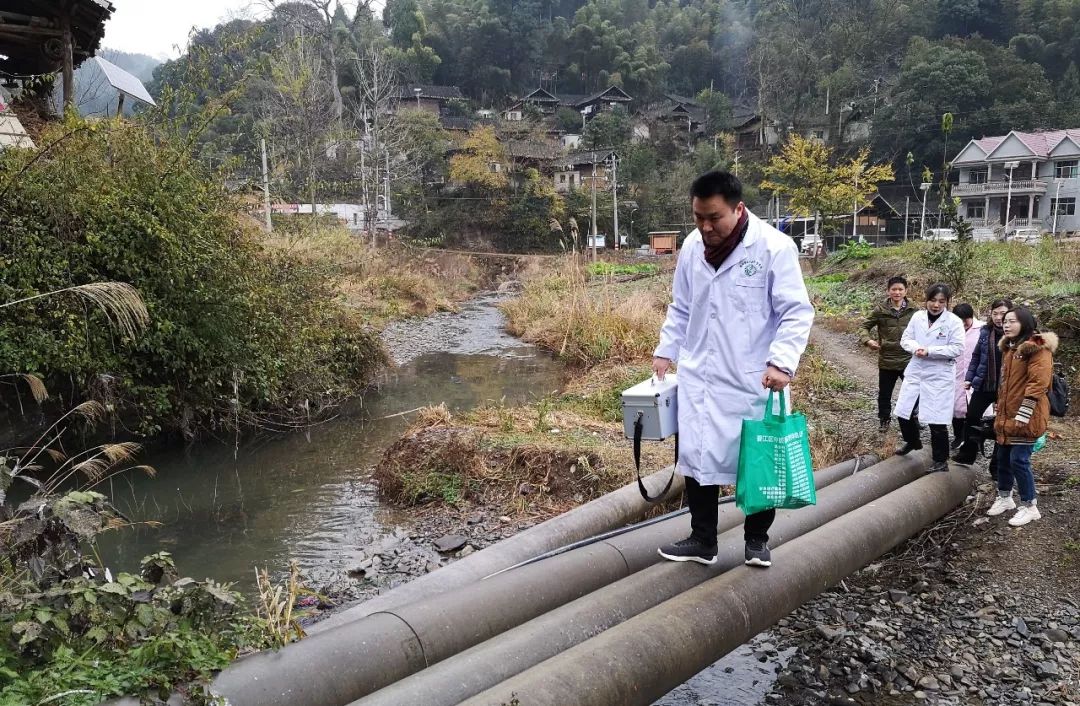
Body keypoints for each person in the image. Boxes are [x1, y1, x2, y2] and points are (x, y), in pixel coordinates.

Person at [652, 170, 814, 568]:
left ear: (738, 209)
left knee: (759, 457)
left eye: (714, 218)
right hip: (700, 375)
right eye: (698, 217)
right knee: (697, 457)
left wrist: (781, 363)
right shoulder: (692, 247)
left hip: (752, 378)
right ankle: (702, 539)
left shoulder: (773, 247)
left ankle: (757, 540)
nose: (705, 227)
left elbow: (796, 312)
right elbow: (681, 306)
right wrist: (665, 350)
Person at [987, 308, 1057, 526]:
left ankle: (1030, 506)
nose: (1006, 325)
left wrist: (1024, 413)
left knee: (1019, 460)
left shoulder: (1038, 348)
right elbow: (1006, 383)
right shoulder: (1010, 347)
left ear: (1025, 323)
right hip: (1008, 413)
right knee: (1002, 457)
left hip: (1027, 415)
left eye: (1012, 321)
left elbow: (1038, 383)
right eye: (1005, 321)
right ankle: (1005, 497)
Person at [894, 283, 966, 473]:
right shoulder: (917, 317)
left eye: (941, 301)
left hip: (939, 375)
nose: (936, 305)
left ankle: (940, 461)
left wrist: (930, 351)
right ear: (926, 300)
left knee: (937, 420)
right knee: (903, 411)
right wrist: (916, 348)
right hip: (917, 369)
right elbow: (906, 339)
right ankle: (912, 441)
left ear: (947, 302)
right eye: (933, 300)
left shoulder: (953, 322)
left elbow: (957, 348)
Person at [952, 298, 1014, 469]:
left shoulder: (1017, 335)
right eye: (995, 313)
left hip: (1007, 387)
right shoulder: (986, 331)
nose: (999, 317)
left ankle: (997, 465)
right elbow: (977, 356)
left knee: (1002, 423)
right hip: (985, 383)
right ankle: (968, 454)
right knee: (972, 416)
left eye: (1003, 313)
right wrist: (969, 378)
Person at [860, 276, 916, 432]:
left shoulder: (914, 310)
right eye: (894, 289)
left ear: (906, 291)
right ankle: (884, 419)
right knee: (885, 394)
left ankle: (913, 418)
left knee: (912, 392)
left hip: (909, 359)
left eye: (900, 289)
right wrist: (868, 341)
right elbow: (864, 326)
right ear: (888, 291)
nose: (897, 292)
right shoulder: (880, 310)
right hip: (887, 359)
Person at [950, 303, 984, 447]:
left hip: (975, 374)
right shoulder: (950, 328)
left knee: (974, 410)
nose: (963, 324)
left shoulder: (982, 329)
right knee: (956, 408)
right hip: (955, 373)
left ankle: (973, 440)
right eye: (960, 321)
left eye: (966, 321)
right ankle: (958, 436)